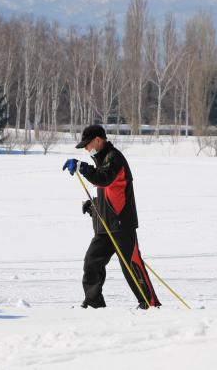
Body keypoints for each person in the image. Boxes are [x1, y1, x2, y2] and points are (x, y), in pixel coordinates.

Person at [62, 124, 161, 309]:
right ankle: (94, 302)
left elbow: (104, 178)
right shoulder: (101, 160)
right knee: (91, 262)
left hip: (121, 223)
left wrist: (82, 168)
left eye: (87, 144)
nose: (86, 148)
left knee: (131, 265)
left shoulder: (114, 158)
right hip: (104, 225)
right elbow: (106, 190)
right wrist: (93, 204)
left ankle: (150, 303)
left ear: (98, 140)